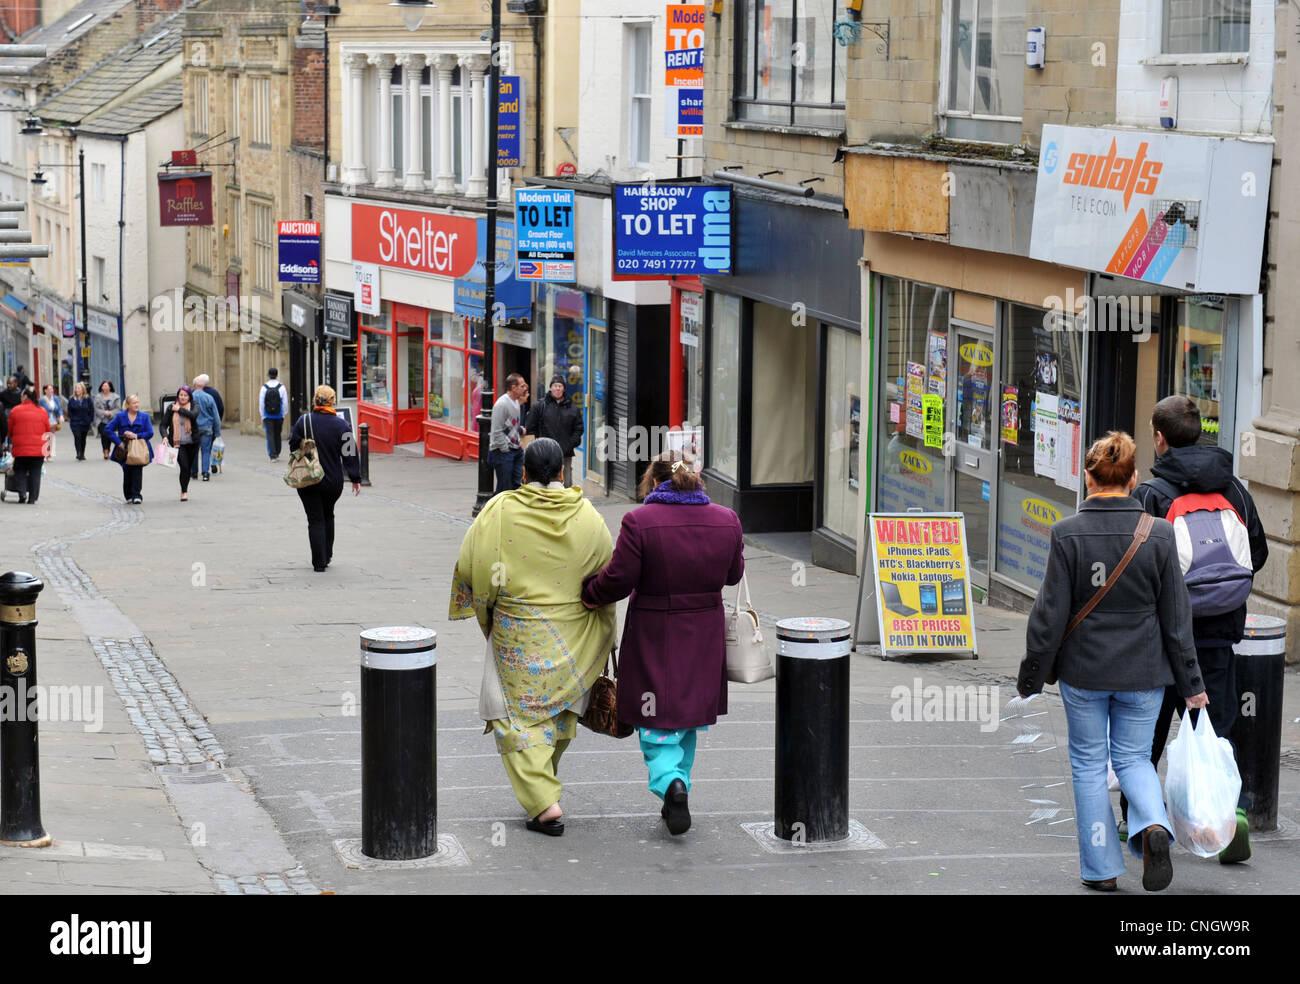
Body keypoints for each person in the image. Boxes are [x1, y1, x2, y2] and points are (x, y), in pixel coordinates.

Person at [1018, 431, 1208, 893]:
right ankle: (1153, 825)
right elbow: (1177, 621)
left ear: (1087, 477)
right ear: (1134, 478)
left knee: (1087, 763)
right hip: (1145, 673)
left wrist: (1031, 675)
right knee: (1134, 758)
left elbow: (1050, 613)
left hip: (1084, 673)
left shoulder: (1067, 534)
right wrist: (1192, 685)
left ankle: (1102, 870)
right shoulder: (1159, 535)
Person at [1119, 395, 1269, 863]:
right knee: (1214, 732)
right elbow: (1257, 554)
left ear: (1159, 437)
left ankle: (1146, 823)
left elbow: (1134, 567)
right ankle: (1228, 819)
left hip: (1160, 640)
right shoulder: (1235, 489)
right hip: (1219, 634)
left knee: (1145, 737)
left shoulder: (1152, 494)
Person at [448, 438, 617, 837]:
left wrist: (486, 610)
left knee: (514, 719)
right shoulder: (588, 515)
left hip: (518, 634)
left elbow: (472, 565)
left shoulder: (500, 511)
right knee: (559, 712)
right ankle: (544, 789)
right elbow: (609, 570)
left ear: (523, 472)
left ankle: (544, 803)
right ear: (562, 472)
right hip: (573, 634)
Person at [580, 450, 744, 836]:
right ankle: (679, 788)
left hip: (656, 632)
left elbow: (619, 578)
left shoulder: (640, 521)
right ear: (695, 482)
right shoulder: (727, 520)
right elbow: (734, 575)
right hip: (704, 633)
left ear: (655, 483)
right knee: (686, 716)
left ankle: (671, 782)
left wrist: (590, 595)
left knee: (655, 719)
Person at [288, 385, 360, 572]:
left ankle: (318, 562)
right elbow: (350, 453)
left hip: (308, 479)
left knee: (315, 519)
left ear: (315, 400)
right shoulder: (341, 425)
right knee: (328, 514)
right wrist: (355, 478)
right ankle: (326, 555)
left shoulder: (303, 421)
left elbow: (292, 445)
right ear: (333, 401)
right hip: (333, 481)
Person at [525, 375, 583, 486]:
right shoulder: (540, 406)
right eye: (555, 386)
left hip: (565, 453)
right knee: (543, 484)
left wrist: (570, 444)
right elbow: (530, 428)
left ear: (564, 389)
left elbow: (578, 428)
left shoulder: (572, 408)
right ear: (550, 388)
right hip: (544, 454)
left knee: (566, 483)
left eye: (560, 386)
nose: (557, 388)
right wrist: (538, 446)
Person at [103, 394, 154, 504]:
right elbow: (108, 429)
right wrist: (119, 442)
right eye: (134, 403)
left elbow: (150, 432)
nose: (136, 405)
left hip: (139, 448)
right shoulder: (120, 416)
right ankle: (128, 494)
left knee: (137, 469)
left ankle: (137, 495)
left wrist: (136, 436)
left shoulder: (144, 416)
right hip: (124, 448)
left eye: (137, 402)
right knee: (127, 470)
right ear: (128, 405)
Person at [7, 386, 51, 504]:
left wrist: (12, 438)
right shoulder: (42, 411)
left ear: (25, 397)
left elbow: (9, 430)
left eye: (21, 396)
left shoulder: (15, 410)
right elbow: (47, 430)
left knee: (20, 470)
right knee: (35, 472)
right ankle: (33, 498)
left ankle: (22, 493)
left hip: (21, 449)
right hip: (38, 450)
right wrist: (48, 450)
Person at [489, 373, 527, 495]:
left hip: (516, 449)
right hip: (503, 452)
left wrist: (518, 441)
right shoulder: (501, 404)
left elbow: (512, 426)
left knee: (517, 485)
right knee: (504, 488)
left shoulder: (516, 402)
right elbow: (496, 430)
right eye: (522, 386)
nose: (525, 388)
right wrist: (505, 449)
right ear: (513, 387)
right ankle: (492, 511)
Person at [161, 386, 200, 502]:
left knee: (188, 469)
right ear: (178, 396)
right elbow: (163, 425)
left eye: (185, 395)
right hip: (178, 443)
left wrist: (179, 409)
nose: (183, 397)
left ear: (189, 397)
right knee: (184, 466)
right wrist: (164, 436)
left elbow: (192, 415)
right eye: (181, 395)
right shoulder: (171, 408)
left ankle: (185, 487)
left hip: (192, 442)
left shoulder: (194, 406)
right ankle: (184, 491)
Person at [190, 376, 220, 481]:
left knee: (193, 450)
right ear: (204, 386)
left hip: (193, 428)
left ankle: (193, 472)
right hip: (207, 427)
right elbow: (216, 416)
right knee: (206, 450)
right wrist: (217, 431)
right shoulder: (209, 397)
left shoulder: (190, 398)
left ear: (194, 385)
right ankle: (205, 473)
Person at [260, 368, 288, 461]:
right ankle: (278, 451)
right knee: (277, 434)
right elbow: (285, 402)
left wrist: (262, 414)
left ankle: (272, 455)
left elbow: (261, 403)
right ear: (276, 375)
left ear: (269, 375)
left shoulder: (264, 387)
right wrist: (284, 413)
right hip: (279, 415)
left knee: (270, 435)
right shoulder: (281, 387)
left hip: (268, 415)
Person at [93, 380, 121, 460]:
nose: (104, 387)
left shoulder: (116, 397)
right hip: (101, 420)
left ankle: (108, 449)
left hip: (112, 420)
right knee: (104, 434)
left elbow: (118, 408)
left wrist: (111, 413)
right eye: (103, 386)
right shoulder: (98, 397)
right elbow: (96, 408)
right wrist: (104, 413)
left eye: (106, 386)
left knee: (109, 435)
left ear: (110, 387)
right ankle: (105, 450)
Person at [66, 381, 94, 460]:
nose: (77, 390)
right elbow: (69, 410)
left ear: (82, 389)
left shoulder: (87, 398)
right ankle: (78, 452)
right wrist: (71, 418)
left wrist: (90, 419)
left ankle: (82, 453)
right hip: (75, 422)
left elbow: (91, 410)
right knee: (77, 436)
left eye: (79, 388)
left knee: (83, 438)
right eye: (76, 388)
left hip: (85, 422)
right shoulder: (71, 399)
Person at [38, 383, 64, 456]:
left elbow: (59, 408)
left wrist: (61, 415)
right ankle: (45, 453)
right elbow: (42, 409)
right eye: (49, 389)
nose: (51, 390)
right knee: (45, 437)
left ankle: (49, 453)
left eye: (52, 389)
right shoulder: (42, 400)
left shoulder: (55, 398)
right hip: (45, 420)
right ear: (45, 390)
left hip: (53, 421)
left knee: (51, 436)